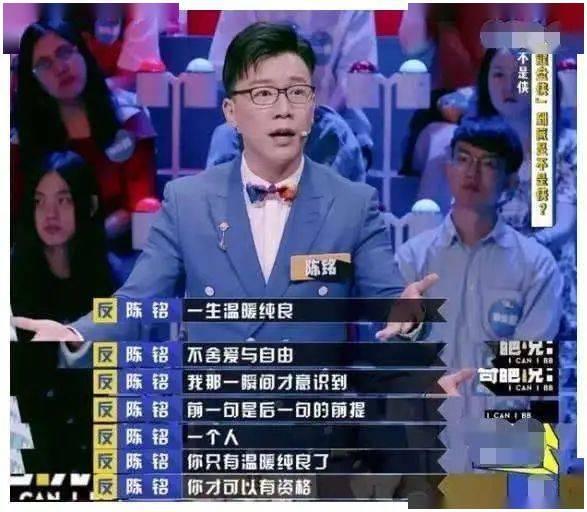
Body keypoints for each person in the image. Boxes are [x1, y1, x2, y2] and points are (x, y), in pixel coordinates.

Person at [14, 23, 466, 389]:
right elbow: (138, 300)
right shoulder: (188, 203)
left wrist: (411, 319)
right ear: (232, 111)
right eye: (263, 94)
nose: (283, 109)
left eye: (297, 91)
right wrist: (77, 334)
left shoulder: (353, 203)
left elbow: (388, 301)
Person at [395, 116, 563, 470]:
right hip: (426, 436)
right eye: (463, 158)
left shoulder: (536, 265)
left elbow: (524, 379)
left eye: (488, 164)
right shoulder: (412, 258)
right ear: (448, 167)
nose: (472, 172)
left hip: (506, 437)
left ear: (510, 180)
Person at [417, 48, 577, 336]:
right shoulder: (470, 143)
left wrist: (523, 251)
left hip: (546, 269)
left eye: (521, 77)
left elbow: (566, 221)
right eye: (499, 75)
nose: (508, 86)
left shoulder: (567, 144)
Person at [12, 19, 158, 243]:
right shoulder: (22, 140)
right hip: (46, 253)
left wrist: (88, 240)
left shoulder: (128, 121)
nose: (60, 68)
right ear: (34, 80)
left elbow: (140, 205)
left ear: (83, 52)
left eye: (64, 52)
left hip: (118, 250)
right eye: (44, 64)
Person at [207, 11, 378, 174]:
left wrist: (313, 122)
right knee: (225, 136)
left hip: (332, 117)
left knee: (338, 134)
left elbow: (352, 80)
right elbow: (229, 70)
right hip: (259, 116)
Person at [11, 151, 115, 333]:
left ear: (91, 205)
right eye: (39, 201)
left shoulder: (113, 279)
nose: (50, 214)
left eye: (63, 200)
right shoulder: (12, 275)